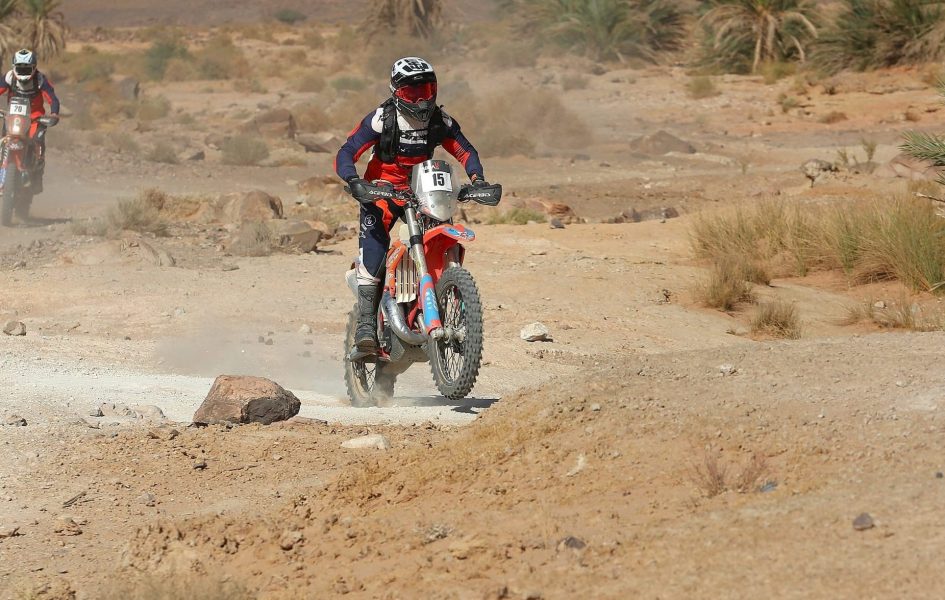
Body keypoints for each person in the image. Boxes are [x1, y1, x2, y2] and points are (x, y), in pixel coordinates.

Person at [335, 56, 490, 353]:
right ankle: (366, 326)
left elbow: (465, 150)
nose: (420, 99)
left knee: (439, 240)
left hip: (422, 191)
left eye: (427, 90)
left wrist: (477, 178)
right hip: (381, 191)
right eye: (411, 92)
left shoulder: (439, 120)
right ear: (396, 91)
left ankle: (441, 297)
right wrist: (353, 179)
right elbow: (348, 150)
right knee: (376, 248)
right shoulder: (382, 118)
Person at [0, 49, 60, 195]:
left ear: (34, 67)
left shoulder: (40, 79)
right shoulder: (9, 77)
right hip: (13, 117)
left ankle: (37, 176)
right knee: (3, 140)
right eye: (20, 68)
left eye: (26, 68)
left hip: (35, 118)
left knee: (37, 142)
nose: (23, 72)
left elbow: (52, 97)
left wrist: (54, 113)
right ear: (14, 67)